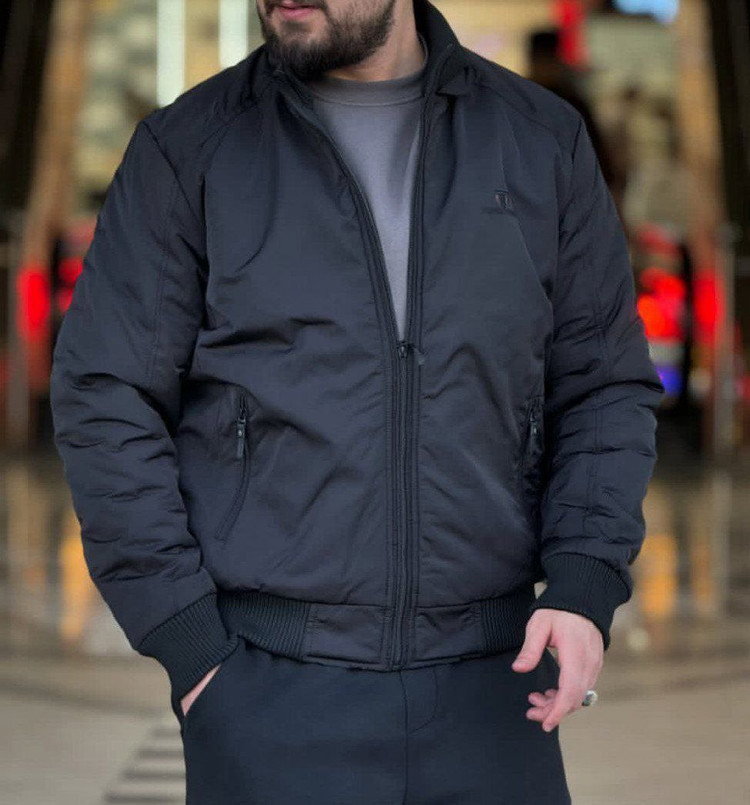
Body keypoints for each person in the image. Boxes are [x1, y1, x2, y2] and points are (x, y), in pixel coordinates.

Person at [49, 1, 665, 802]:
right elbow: (105, 392)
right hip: (268, 692)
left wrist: (584, 585)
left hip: (497, 687)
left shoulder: (539, 141)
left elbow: (602, 384)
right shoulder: (190, 150)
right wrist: (191, 647)